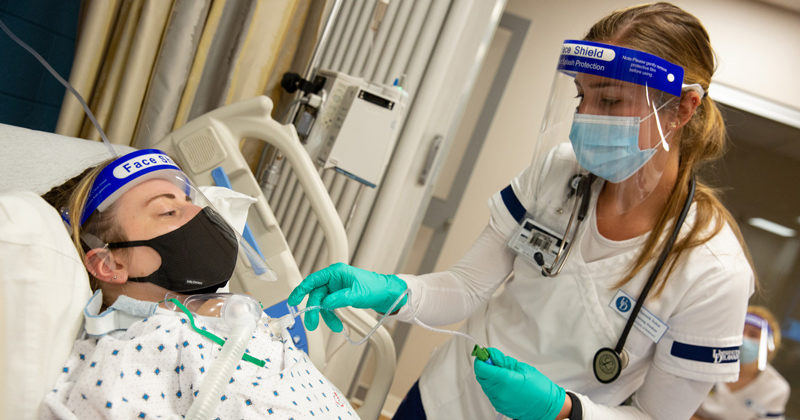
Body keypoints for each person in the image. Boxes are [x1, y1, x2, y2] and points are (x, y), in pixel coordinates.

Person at [288, 3, 756, 420]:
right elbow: (467, 287)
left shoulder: (713, 272)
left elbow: (659, 418)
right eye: (581, 96)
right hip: (444, 401)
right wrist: (389, 290)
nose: (585, 117)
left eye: (609, 100)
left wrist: (564, 411)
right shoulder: (559, 173)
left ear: (683, 108)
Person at [38, 149, 358, 419]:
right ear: (110, 264)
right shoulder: (129, 358)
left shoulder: (222, 317)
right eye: (168, 210)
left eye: (190, 199)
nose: (199, 214)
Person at [692, 306, 791, 420]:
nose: (744, 339)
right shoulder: (704, 363)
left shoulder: (775, 388)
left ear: (768, 346)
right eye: (740, 331)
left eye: (753, 335)